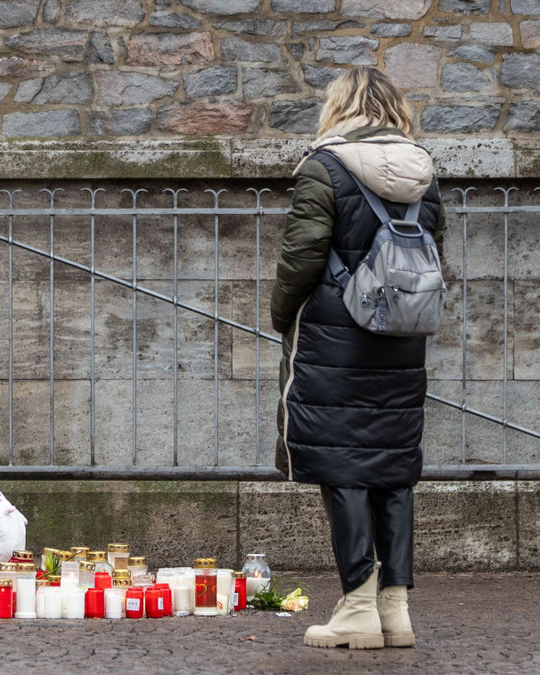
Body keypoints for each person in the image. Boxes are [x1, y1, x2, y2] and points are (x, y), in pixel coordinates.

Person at [271, 67, 445, 650]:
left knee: (344, 466)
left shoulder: (324, 166)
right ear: (393, 107)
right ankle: (395, 611)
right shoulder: (423, 171)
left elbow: (302, 256)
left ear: (340, 106)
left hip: (334, 336)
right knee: (392, 468)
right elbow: (434, 253)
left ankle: (356, 607)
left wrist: (281, 315)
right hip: (401, 336)